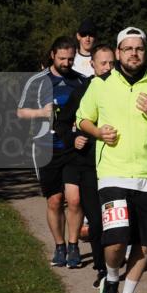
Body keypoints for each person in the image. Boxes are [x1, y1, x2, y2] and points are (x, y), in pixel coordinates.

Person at [76, 27, 147, 293]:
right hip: (112, 174)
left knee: (145, 243)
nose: (134, 53)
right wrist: (98, 132)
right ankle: (111, 281)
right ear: (119, 53)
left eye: (139, 48)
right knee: (117, 238)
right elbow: (81, 118)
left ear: (144, 52)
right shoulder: (100, 85)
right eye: (128, 48)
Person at [17, 36, 86, 267]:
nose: (67, 63)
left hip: (73, 150)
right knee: (55, 201)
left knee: (74, 200)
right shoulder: (37, 81)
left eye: (70, 59)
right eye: (62, 58)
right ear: (52, 56)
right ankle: (59, 246)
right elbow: (21, 112)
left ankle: (74, 246)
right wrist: (40, 113)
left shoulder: (81, 81)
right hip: (46, 148)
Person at [57, 43, 116, 286]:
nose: (108, 68)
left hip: (117, 163)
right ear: (92, 65)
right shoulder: (83, 91)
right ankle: (102, 269)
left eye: (112, 63)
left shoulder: (124, 90)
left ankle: (117, 258)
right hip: (88, 164)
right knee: (96, 218)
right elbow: (61, 123)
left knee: (116, 218)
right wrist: (73, 138)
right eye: (103, 63)